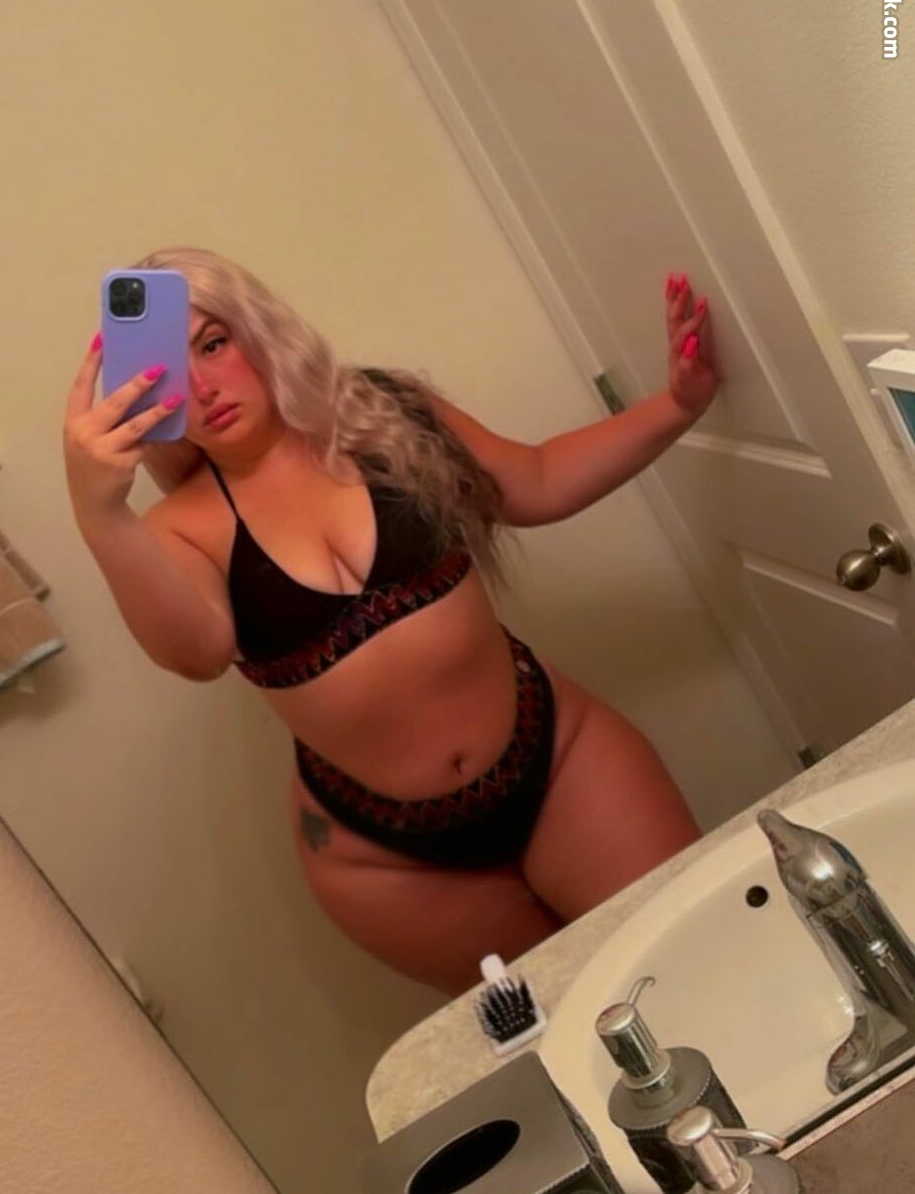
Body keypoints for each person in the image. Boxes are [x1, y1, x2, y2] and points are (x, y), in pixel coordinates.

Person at [64, 247, 717, 996]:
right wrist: (100, 515)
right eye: (172, 368)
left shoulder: (381, 412)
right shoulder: (177, 530)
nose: (203, 385)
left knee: (699, 961)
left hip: (558, 758)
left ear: (259, 329)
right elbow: (198, 653)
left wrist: (677, 405)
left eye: (213, 344)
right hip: (388, 865)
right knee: (571, 1028)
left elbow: (535, 480)